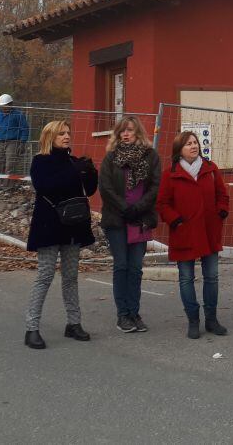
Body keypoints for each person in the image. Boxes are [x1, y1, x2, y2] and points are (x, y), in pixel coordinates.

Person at [24, 120, 98, 350]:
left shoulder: (72, 162)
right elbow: (47, 186)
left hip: (73, 225)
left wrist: (90, 172)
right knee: (45, 276)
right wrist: (72, 171)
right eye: (61, 134)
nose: (66, 137)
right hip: (49, 226)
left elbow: (90, 190)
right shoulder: (40, 162)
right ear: (50, 137)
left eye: (68, 133)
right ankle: (32, 328)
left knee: (71, 276)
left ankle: (73, 323)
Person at [157, 131, 230, 339]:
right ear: (179, 149)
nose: (193, 146)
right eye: (188, 143)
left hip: (209, 231)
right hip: (184, 233)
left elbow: (222, 194)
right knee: (186, 278)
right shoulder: (169, 173)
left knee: (212, 277)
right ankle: (193, 320)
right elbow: (162, 203)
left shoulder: (211, 168)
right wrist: (175, 220)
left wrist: (221, 210)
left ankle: (212, 319)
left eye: (195, 142)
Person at [98, 116, 161, 334]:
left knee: (135, 269)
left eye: (130, 130)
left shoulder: (150, 156)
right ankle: (122, 315)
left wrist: (138, 208)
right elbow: (105, 187)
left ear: (138, 133)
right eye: (122, 130)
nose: (126, 134)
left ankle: (134, 313)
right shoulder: (111, 157)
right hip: (116, 220)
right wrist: (124, 207)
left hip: (140, 219)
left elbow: (155, 186)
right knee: (121, 266)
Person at [0, 94, 30, 174]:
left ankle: (8, 185)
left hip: (13, 142)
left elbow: (24, 129)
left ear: (10, 104)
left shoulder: (18, 114)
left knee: (10, 165)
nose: (2, 107)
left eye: (4, 105)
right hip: (0, 142)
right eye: (1, 106)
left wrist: (22, 143)